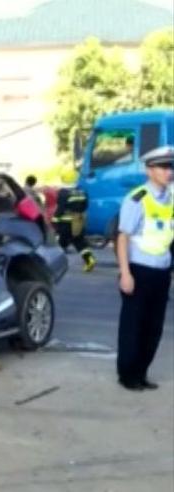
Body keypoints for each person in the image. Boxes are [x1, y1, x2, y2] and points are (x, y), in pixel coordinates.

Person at [115, 145, 174, 391]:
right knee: (134, 325)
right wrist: (125, 274)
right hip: (139, 270)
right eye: (163, 167)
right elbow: (123, 237)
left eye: (170, 167)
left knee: (153, 327)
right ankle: (127, 375)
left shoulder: (171, 197)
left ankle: (141, 372)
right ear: (149, 170)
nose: (169, 172)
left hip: (162, 271)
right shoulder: (137, 198)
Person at [51, 186, 96, 272]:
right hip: (78, 221)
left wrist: (54, 220)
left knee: (61, 243)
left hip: (66, 222)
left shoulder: (63, 193)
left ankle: (54, 265)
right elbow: (86, 205)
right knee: (79, 241)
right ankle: (89, 259)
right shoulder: (82, 192)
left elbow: (61, 208)